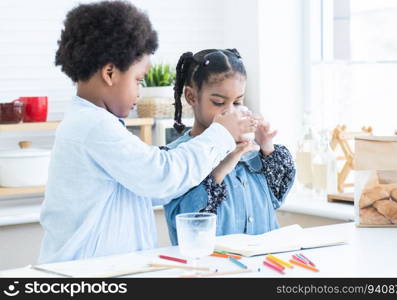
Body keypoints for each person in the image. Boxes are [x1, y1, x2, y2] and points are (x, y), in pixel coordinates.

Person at [38, 2, 255, 264]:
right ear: (110, 73)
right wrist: (220, 134)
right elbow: (161, 176)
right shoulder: (93, 126)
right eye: (138, 80)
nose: (140, 92)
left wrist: (224, 156)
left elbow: (154, 189)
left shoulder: (92, 123)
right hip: (86, 275)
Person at [164, 49, 296, 245]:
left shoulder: (251, 152)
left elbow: (277, 196)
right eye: (218, 102)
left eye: (237, 101)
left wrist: (267, 147)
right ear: (191, 97)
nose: (230, 111)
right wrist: (223, 166)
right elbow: (186, 221)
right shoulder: (176, 158)